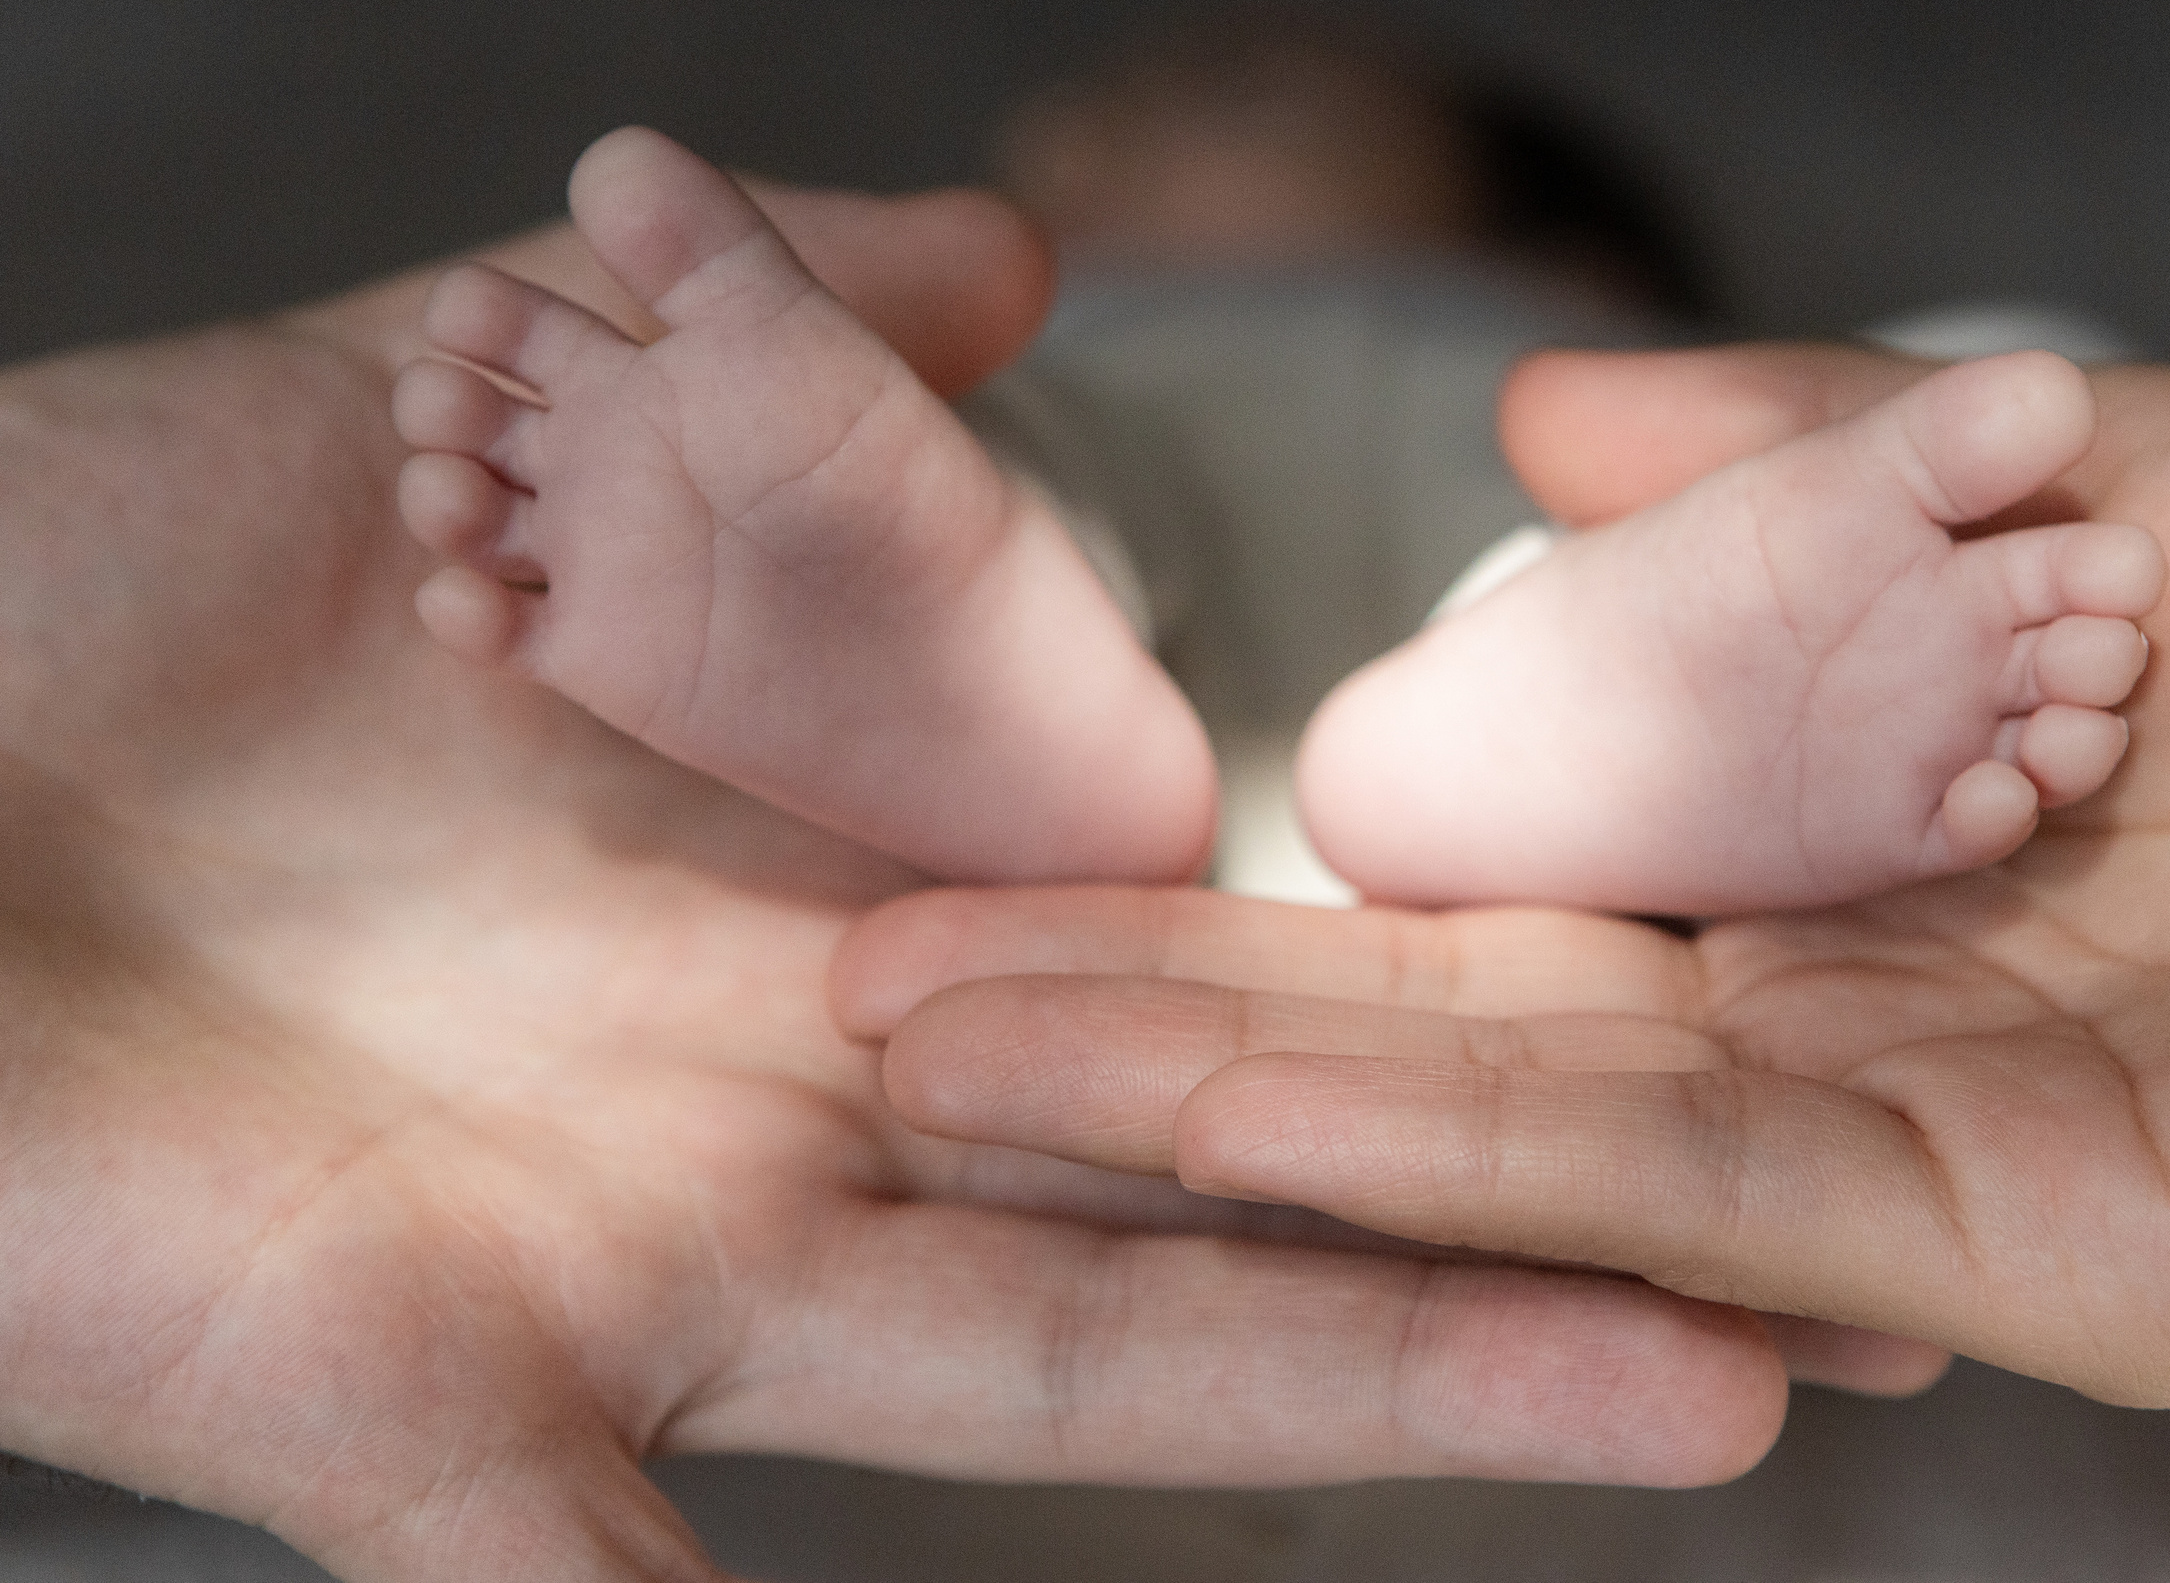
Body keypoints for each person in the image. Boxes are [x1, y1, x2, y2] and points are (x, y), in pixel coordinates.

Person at [0, 187, 1895, 1583]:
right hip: (1462, 703)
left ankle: (1143, 675)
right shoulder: (1139, 328)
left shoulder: (1530, 325)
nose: (1177, 139)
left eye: (1271, 119)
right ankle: (1453, 694)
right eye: (1129, 136)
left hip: (1439, 599)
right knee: (1042, 462)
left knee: (1109, 492)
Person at [850, 337, 2170, 1407]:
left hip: (1493, 650)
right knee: (1002, 474)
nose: (1168, 97)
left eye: (1277, 89)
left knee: (1979, 434)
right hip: (1339, 683)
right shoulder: (1107, 326)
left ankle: (1604, 687)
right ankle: (972, 646)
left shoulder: (1504, 309)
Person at [393, 125, 2162, 916]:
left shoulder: (1566, 319)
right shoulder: (1083, 313)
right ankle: (990, 677)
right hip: (1165, 577)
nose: (1063, 143)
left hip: (1605, 510)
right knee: (1000, 458)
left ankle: (1588, 693)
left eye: (1230, 91)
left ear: (1574, 241)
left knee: (1868, 436)